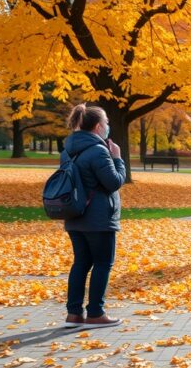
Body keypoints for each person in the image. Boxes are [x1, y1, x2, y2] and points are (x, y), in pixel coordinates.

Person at [62, 103, 126, 328]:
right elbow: (114, 182)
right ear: (99, 126)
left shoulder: (68, 150)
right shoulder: (99, 151)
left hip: (74, 215)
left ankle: (74, 313)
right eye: (107, 123)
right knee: (102, 263)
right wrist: (117, 158)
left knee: (80, 263)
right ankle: (96, 313)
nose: (108, 126)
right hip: (98, 218)